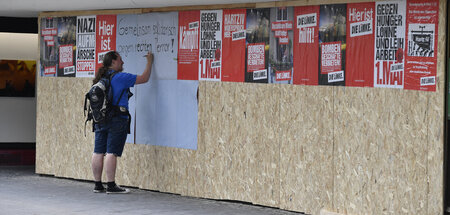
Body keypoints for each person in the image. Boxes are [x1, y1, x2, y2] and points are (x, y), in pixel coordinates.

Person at [91, 50, 153, 194]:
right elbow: (144, 78)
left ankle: (98, 185)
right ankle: (111, 185)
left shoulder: (101, 78)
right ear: (113, 62)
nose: (122, 62)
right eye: (120, 59)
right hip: (117, 119)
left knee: (98, 151)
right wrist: (150, 62)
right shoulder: (121, 77)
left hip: (100, 119)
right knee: (112, 152)